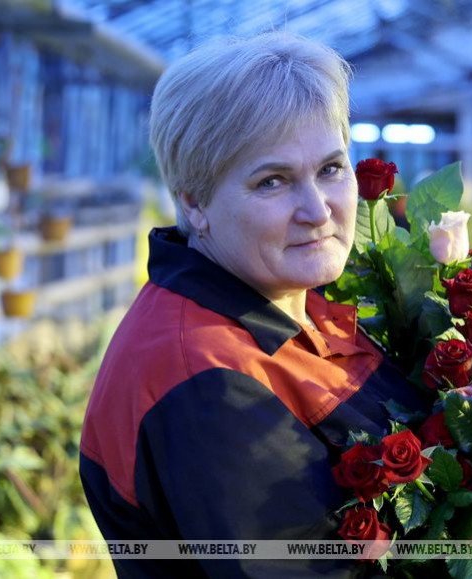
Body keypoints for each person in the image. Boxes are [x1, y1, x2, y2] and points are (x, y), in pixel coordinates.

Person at [79, 32, 427, 578]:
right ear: (194, 202)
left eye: (331, 168)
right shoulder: (205, 381)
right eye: (273, 181)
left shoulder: (289, 299)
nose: (317, 209)